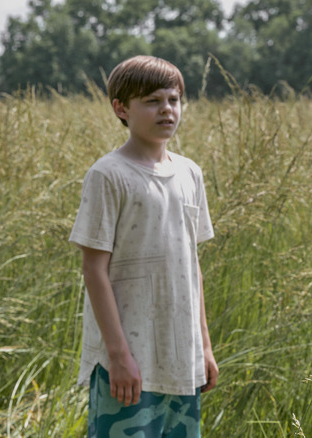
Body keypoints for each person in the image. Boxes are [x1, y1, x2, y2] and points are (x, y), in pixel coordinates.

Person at [68, 55, 219, 437]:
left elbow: (192, 263)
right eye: (152, 101)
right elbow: (94, 269)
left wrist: (204, 346)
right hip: (129, 363)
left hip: (181, 359)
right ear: (121, 108)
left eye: (173, 99)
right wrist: (118, 356)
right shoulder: (108, 174)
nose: (166, 109)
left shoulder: (190, 174)